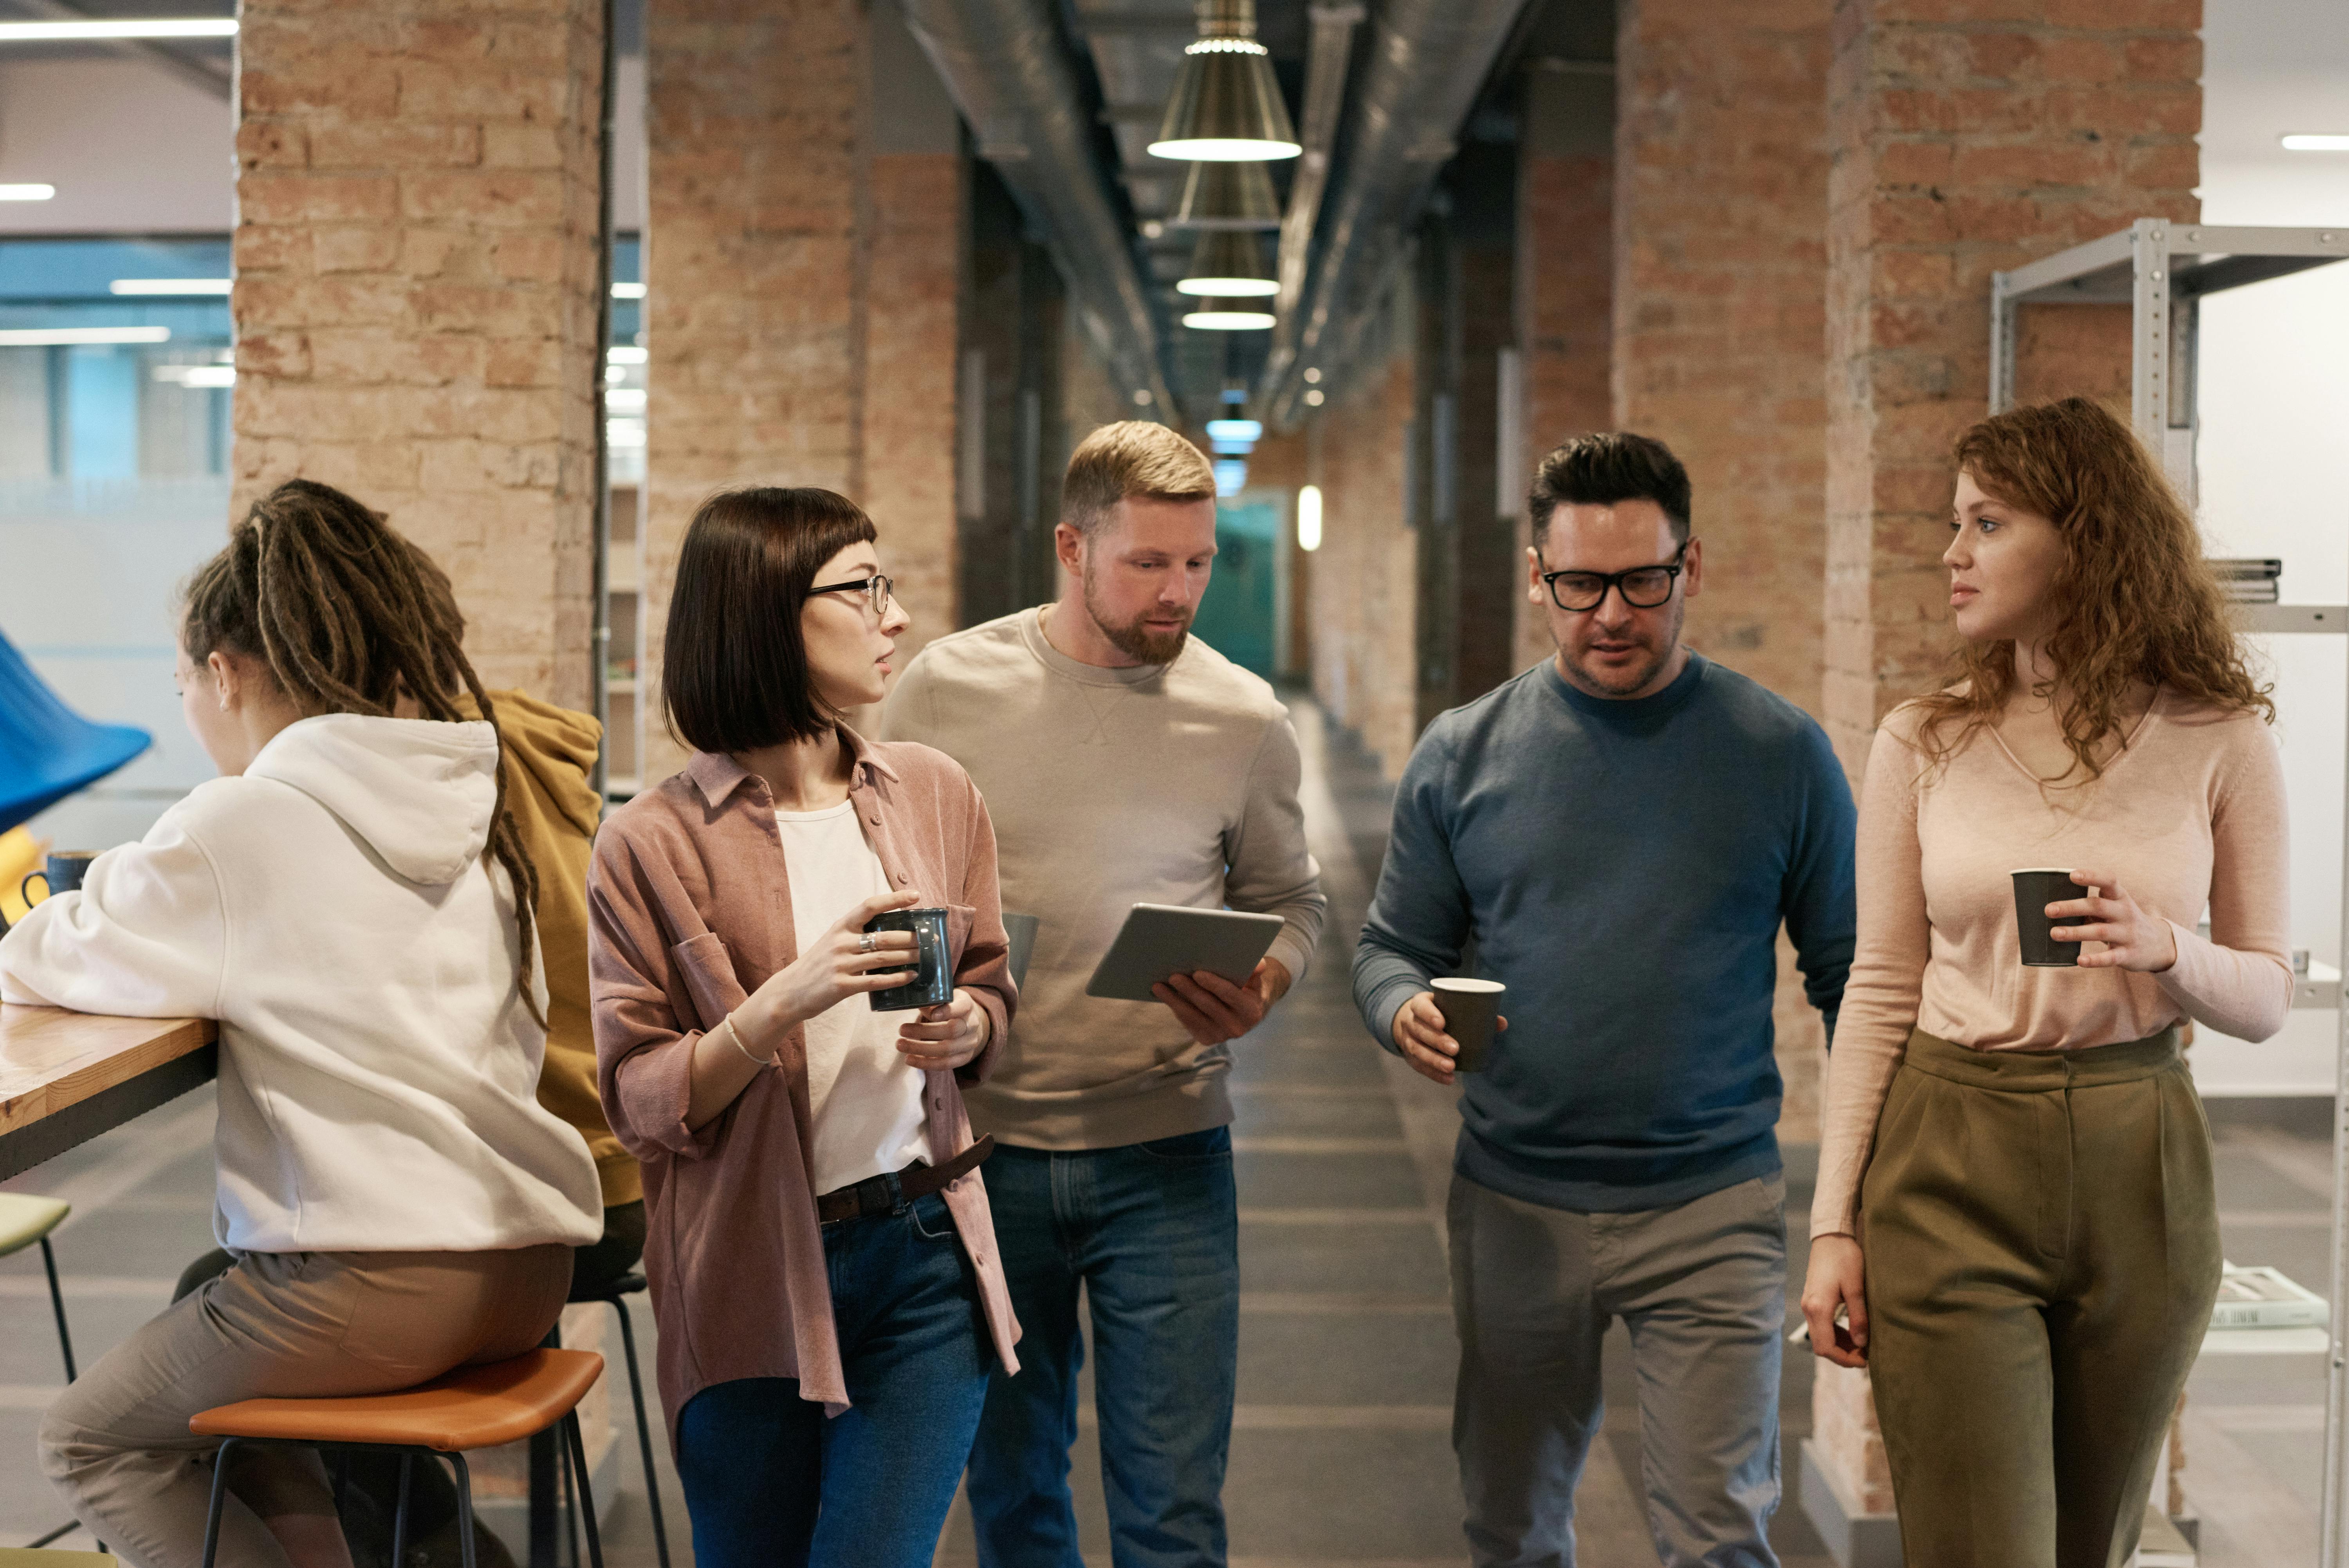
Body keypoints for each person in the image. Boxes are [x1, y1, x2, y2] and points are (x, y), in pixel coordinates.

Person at [0, 478, 604, 1568]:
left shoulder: (251, 820)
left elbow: (54, 954)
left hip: (374, 1286)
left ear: (224, 674)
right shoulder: (470, 809)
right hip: (527, 1270)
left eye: (186, 680)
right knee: (211, 1305)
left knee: (89, 1441)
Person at [1801, 396, 2289, 1568]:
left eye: (1986, 522)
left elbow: (2267, 996)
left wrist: (2168, 948)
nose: (1952, 554)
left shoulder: (2219, 733)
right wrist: (1832, 1225)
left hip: (2144, 1164)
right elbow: (1878, 985)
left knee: (2090, 1549)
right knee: (1984, 1551)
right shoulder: (1923, 739)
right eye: (1954, 523)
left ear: (2083, 537)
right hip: (1952, 1148)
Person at [1354, 432, 1855, 1568]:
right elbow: (1390, 948)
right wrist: (1401, 1010)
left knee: (1721, 1533)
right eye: (1580, 585)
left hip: (1714, 1204)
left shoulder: (1781, 756)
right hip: (1515, 1204)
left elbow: (1853, 982)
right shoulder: (1462, 755)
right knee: (1511, 1526)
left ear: (1692, 568)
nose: (1613, 614)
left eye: (1644, 581)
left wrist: (1859, 1204)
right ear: (1538, 576)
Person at [879, 420, 1327, 1568]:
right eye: (1148, 564)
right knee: (1016, 1499)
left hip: (1168, 1150)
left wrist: (1266, 979)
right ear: (1073, 549)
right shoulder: (946, 689)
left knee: (1172, 1514)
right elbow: (887, 874)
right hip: (984, 1152)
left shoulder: (1240, 717)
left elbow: (1295, 900)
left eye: (1197, 563)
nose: (1178, 592)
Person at [159, 541, 640, 1568]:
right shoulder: (501, 753)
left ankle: (436, 1546)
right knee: (296, 1280)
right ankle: (442, 1544)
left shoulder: (401, 802)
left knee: (269, 1286)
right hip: (592, 1178)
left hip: (543, 1190)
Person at [587, 486, 1019, 1568]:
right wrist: (785, 996)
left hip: (924, 1253)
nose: (898, 618)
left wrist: (971, 1023)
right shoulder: (650, 844)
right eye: (864, 589)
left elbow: (993, 986)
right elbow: (641, 1099)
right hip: (747, 1274)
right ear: (766, 614)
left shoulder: (933, 791)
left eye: (890, 586)